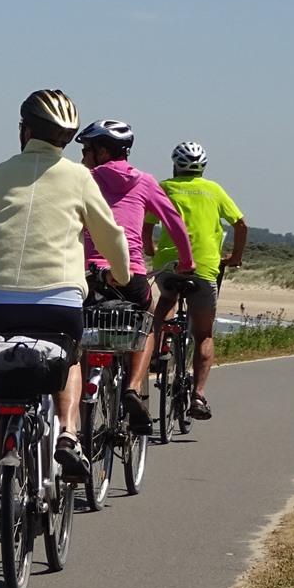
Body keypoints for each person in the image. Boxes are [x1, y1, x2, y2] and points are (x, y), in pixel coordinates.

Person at [0, 89, 131, 506]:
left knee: (2, 398)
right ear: (65, 138)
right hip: (58, 302)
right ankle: (67, 433)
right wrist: (122, 274)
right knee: (70, 358)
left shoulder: (3, 171)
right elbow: (110, 233)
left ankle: (0, 499)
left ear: (25, 130)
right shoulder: (79, 177)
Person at [75, 119, 195, 432]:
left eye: (86, 150)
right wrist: (187, 262)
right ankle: (132, 386)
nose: (82, 157)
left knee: (86, 331)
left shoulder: (83, 179)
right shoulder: (145, 181)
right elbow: (175, 223)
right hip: (130, 274)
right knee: (148, 320)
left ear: (101, 152)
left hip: (89, 273)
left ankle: (84, 420)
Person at [144, 140, 248, 420]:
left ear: (175, 164)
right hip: (204, 268)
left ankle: (158, 346)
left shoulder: (164, 187)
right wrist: (235, 257)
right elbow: (240, 223)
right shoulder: (214, 190)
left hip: (170, 265)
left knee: (166, 298)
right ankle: (198, 396)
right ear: (203, 167)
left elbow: (147, 224)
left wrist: (151, 249)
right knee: (203, 334)